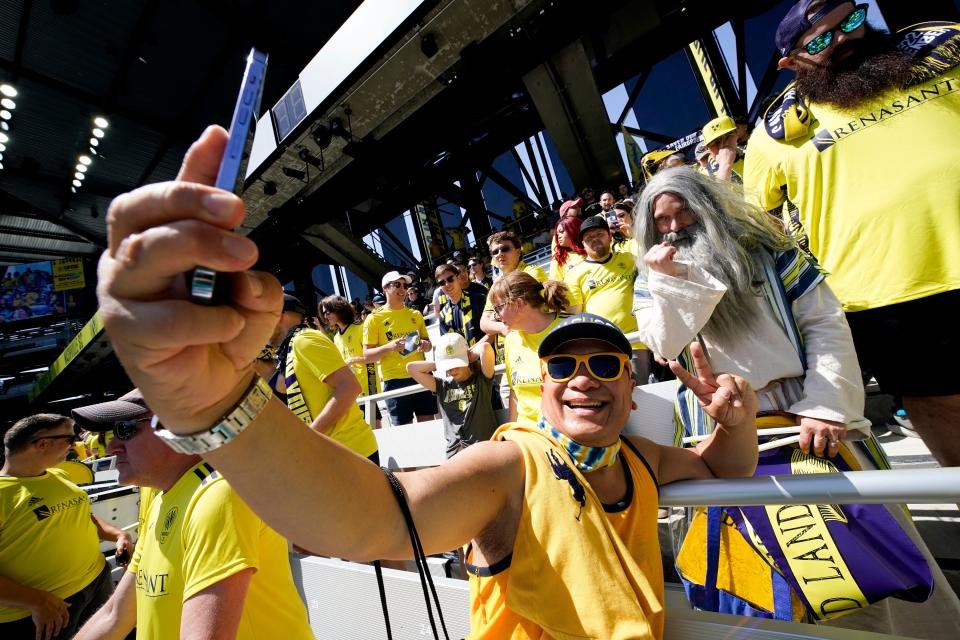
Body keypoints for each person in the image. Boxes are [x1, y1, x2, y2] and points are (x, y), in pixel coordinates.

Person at [92, 147, 762, 632]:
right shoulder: (510, 465)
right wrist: (216, 407)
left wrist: (734, 424)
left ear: (628, 381)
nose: (582, 377)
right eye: (561, 367)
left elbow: (720, 468)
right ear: (544, 385)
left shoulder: (638, 460)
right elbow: (373, 519)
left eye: (604, 365)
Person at [634, 167, 960, 636]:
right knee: (750, 572)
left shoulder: (770, 254)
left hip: (804, 416)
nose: (674, 226)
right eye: (660, 219)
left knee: (864, 554)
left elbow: (824, 323)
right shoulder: (652, 281)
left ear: (707, 205)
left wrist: (825, 404)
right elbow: (666, 345)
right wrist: (674, 281)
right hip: (718, 431)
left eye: (683, 210)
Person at [743, 0, 960, 467]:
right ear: (790, 63)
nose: (842, 39)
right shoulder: (776, 133)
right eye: (820, 40)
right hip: (888, 301)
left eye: (850, 22)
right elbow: (759, 224)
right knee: (945, 417)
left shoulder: (942, 53)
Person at [71, 391, 314, 640]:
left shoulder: (220, 495)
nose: (112, 446)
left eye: (125, 429)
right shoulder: (164, 498)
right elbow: (114, 615)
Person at [0, 414, 129, 640]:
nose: (75, 445)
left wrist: (118, 534)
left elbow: (82, 515)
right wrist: (35, 601)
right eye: (69, 439)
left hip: (97, 582)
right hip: (44, 611)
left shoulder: (59, 474)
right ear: (42, 444)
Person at [272, 294, 379, 460]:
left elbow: (350, 387)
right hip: (334, 452)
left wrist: (309, 437)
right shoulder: (293, 346)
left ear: (278, 314)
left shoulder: (304, 340)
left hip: (351, 451)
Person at [563, 216, 649, 383]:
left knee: (639, 390)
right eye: (588, 238)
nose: (594, 239)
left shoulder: (630, 258)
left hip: (635, 340)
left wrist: (632, 234)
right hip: (601, 345)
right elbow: (575, 315)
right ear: (583, 244)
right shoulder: (574, 274)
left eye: (600, 234)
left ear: (610, 236)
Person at [487, 271, 572, 424]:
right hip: (528, 436)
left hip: (565, 432)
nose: (496, 316)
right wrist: (512, 434)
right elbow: (515, 395)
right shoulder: (511, 340)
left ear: (519, 303)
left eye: (498, 308)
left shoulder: (571, 328)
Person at [406, 334, 497, 458]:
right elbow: (411, 368)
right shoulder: (443, 386)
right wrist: (440, 362)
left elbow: (485, 348)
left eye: (456, 364)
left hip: (482, 451)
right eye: (448, 366)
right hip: (454, 454)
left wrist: (468, 355)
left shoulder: (481, 379)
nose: (452, 370)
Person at [363, 270, 436, 425]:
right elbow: (367, 355)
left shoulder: (415, 314)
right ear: (385, 288)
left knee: (429, 427)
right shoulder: (374, 318)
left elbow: (428, 344)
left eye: (404, 285)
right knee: (405, 435)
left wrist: (425, 345)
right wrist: (389, 347)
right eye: (397, 285)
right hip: (395, 381)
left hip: (421, 375)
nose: (402, 289)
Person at [322, 294, 382, 428]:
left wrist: (353, 360)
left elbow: (375, 354)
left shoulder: (360, 328)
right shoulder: (337, 337)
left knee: (375, 428)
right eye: (323, 313)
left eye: (327, 311)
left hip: (366, 387)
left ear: (338, 309)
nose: (325, 316)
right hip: (350, 390)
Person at [479, 230, 548, 342]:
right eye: (495, 252)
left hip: (534, 342)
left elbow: (520, 311)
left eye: (505, 249)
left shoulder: (532, 273)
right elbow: (484, 323)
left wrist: (495, 317)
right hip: (508, 348)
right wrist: (502, 327)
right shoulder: (496, 286)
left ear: (518, 251)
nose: (500, 254)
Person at [434, 263, 485, 347]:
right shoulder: (443, 315)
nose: (447, 284)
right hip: (460, 358)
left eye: (450, 279)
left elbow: (492, 333)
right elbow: (447, 344)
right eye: (442, 282)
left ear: (457, 278)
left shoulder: (479, 299)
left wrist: (473, 351)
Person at [701, 115, 744, 182]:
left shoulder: (751, 156)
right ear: (706, 148)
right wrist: (725, 164)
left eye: (728, 137)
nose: (722, 145)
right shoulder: (703, 176)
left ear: (736, 134)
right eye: (715, 142)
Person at [548, 216, 586, 281]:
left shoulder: (591, 248)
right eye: (557, 234)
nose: (558, 236)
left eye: (561, 232)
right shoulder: (559, 259)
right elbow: (555, 285)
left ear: (573, 230)